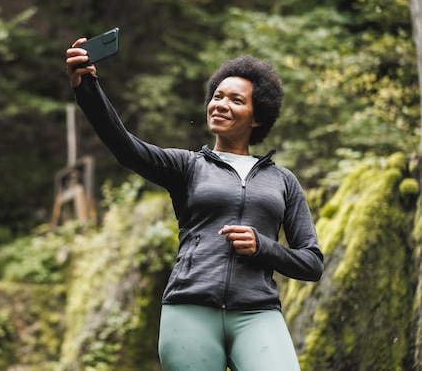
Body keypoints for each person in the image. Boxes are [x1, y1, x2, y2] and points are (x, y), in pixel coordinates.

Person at [65, 37, 323, 371]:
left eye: (235, 100)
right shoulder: (187, 166)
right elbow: (125, 147)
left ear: (256, 117)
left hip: (258, 313)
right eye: (216, 96)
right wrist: (87, 87)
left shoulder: (283, 181)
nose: (220, 104)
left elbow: (312, 262)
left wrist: (263, 246)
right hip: (189, 308)